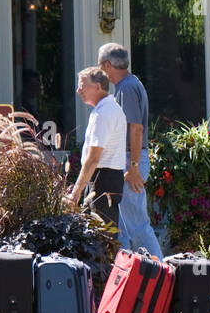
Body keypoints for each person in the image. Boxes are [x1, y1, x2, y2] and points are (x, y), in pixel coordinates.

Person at [97, 43, 164, 257]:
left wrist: (133, 167)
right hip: (128, 158)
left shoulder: (126, 87)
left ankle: (162, 274)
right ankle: (126, 278)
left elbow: (136, 128)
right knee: (123, 230)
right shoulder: (130, 84)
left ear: (107, 65)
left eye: (100, 66)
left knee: (137, 225)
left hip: (131, 159)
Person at [68, 66, 127, 231]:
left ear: (98, 87)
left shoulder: (104, 113)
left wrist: (76, 191)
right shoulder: (104, 109)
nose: (78, 90)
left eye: (83, 85)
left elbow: (93, 158)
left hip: (104, 179)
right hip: (102, 178)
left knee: (102, 237)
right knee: (96, 235)